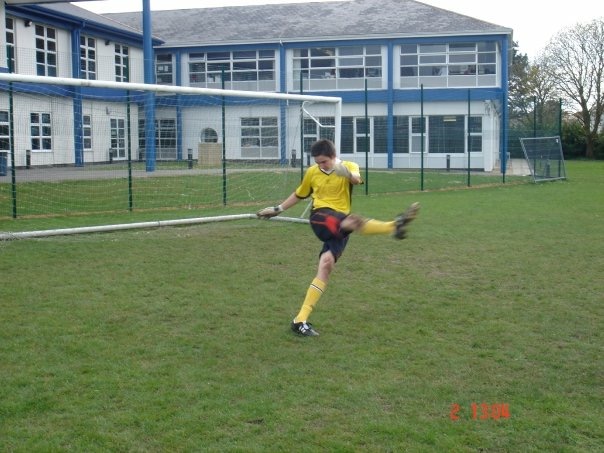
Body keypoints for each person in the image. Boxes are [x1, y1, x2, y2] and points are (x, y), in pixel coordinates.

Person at [257, 139, 419, 337]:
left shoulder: (349, 166)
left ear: (333, 157)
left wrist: (346, 173)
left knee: (326, 265)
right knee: (353, 221)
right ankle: (394, 226)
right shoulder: (312, 172)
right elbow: (299, 194)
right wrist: (277, 209)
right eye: (317, 162)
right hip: (321, 217)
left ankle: (299, 320)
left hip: (342, 221)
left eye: (324, 161)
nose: (320, 165)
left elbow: (357, 179)